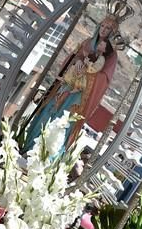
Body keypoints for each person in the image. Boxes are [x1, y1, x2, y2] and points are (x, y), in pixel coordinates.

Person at [24, 8, 122, 152]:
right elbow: (73, 58)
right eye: (102, 26)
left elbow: (104, 78)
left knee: (64, 120)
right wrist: (77, 63)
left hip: (80, 94)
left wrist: (88, 72)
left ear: (112, 33)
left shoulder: (111, 55)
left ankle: (47, 154)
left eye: (108, 28)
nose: (103, 30)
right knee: (49, 110)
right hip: (67, 84)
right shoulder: (87, 42)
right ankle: (30, 145)